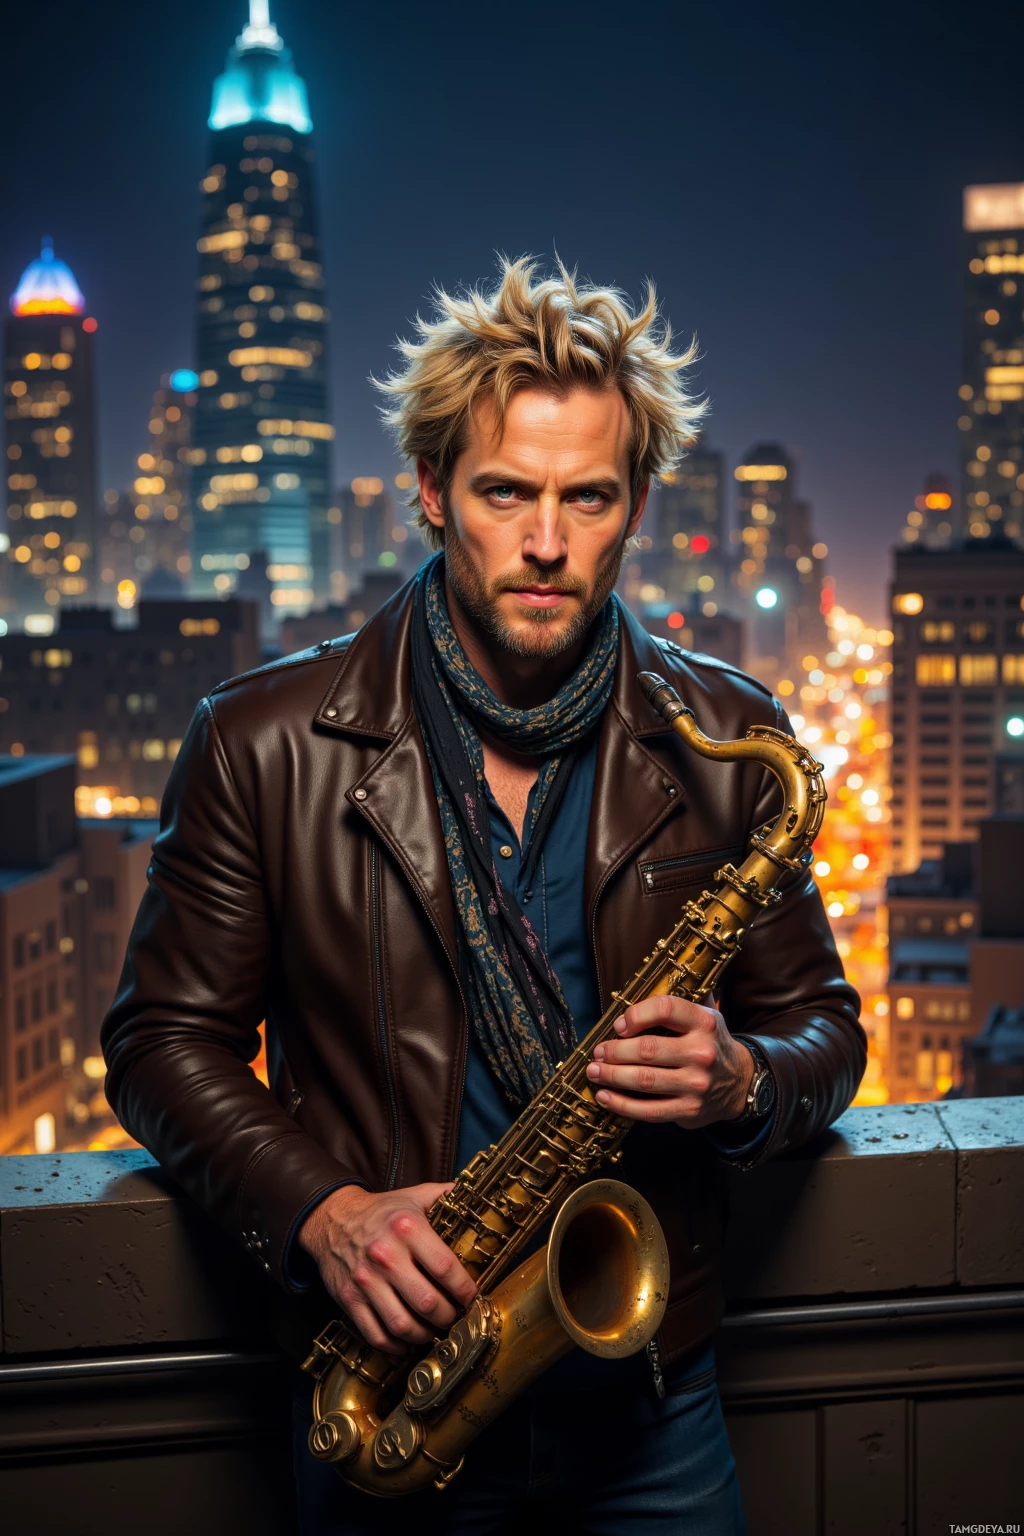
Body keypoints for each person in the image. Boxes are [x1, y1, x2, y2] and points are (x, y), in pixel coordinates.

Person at [102, 257, 864, 1535]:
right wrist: (322, 1214)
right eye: (505, 492)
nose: (546, 543)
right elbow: (159, 1041)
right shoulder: (260, 739)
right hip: (390, 1381)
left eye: (587, 498)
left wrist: (741, 1080)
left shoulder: (731, 733)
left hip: (650, 1402)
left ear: (637, 508)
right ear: (430, 493)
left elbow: (826, 1031)